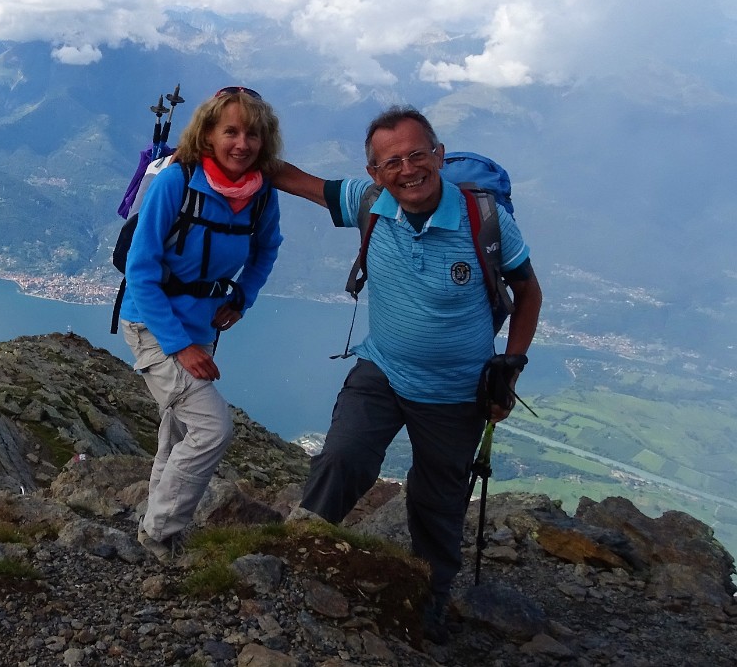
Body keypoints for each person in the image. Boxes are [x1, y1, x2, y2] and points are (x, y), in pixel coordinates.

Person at [272, 105, 543, 642]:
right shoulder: (368, 202)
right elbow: (289, 178)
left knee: (437, 501)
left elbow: (528, 290)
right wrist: (218, 146)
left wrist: (511, 364)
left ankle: (430, 601)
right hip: (384, 370)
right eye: (391, 161)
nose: (408, 168)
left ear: (439, 155)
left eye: (418, 154)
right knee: (342, 457)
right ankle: (295, 556)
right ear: (375, 173)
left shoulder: (483, 220)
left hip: (455, 391)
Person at [118, 86, 284, 563]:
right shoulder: (178, 183)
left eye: (253, 133)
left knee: (177, 430)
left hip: (201, 325)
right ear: (208, 134)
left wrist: (242, 295)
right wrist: (179, 347)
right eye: (230, 130)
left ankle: (155, 522)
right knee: (212, 428)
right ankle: (159, 532)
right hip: (153, 324)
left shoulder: (259, 193)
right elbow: (141, 269)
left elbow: (266, 248)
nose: (242, 143)